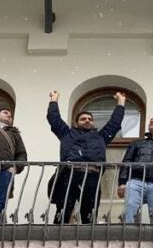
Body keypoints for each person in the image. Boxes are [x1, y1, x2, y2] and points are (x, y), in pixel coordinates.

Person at [47, 90, 126, 224]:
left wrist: (121, 102)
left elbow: (115, 123)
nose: (87, 121)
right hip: (69, 174)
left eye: (90, 119)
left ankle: (88, 240)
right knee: (64, 209)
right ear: (76, 122)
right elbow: (54, 119)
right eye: (83, 119)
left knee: (89, 211)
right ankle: (57, 238)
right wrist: (54, 100)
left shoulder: (101, 136)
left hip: (92, 175)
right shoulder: (67, 134)